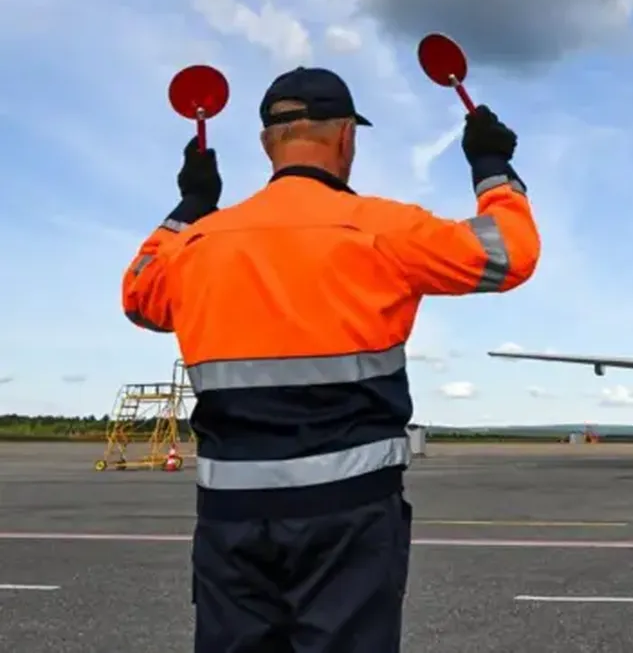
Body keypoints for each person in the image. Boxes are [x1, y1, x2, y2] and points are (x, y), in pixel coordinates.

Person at [120, 66, 540, 652]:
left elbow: (138, 296)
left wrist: (189, 207)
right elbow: (511, 255)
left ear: (268, 143)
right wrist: (492, 169)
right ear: (346, 136)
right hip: (350, 514)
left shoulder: (198, 245)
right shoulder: (383, 228)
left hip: (230, 515)